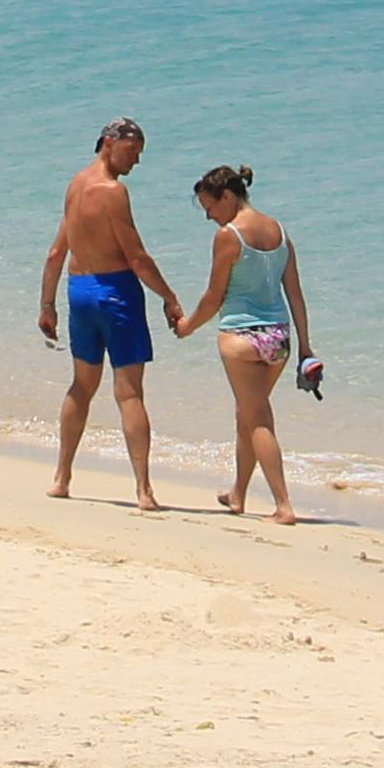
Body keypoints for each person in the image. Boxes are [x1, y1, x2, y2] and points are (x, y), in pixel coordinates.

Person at [37, 117, 180, 508]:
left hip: (79, 292)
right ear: (108, 143)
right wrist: (169, 297)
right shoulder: (113, 191)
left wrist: (47, 304)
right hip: (116, 293)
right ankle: (144, 490)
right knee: (129, 392)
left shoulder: (75, 184)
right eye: (131, 152)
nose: (135, 162)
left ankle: (62, 477)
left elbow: (55, 252)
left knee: (81, 386)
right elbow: (136, 257)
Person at [174, 165, 322, 521]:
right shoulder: (280, 232)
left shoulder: (229, 235)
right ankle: (238, 493)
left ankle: (283, 505)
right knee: (248, 414)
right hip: (279, 341)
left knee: (258, 420)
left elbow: (213, 296)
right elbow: (295, 294)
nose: (209, 216)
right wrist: (305, 346)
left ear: (227, 197)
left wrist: (186, 326)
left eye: (210, 207)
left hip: (241, 340)